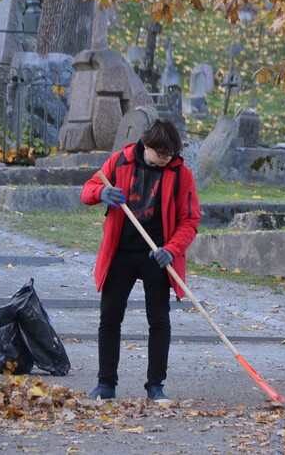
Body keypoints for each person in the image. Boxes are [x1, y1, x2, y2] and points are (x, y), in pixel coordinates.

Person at [80, 118, 200, 403]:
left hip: (156, 256)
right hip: (120, 253)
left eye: (170, 154)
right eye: (161, 154)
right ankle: (106, 384)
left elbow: (190, 221)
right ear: (147, 146)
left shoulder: (181, 174)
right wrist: (101, 192)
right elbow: (87, 191)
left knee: (159, 321)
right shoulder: (120, 162)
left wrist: (171, 248)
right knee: (110, 319)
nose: (166, 159)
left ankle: (155, 386)